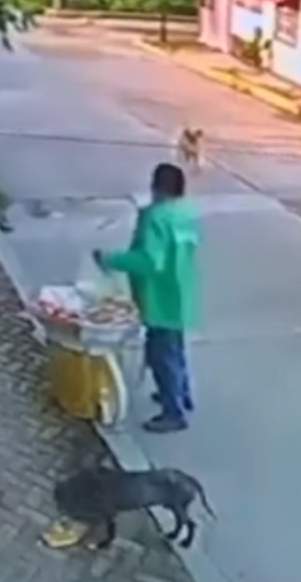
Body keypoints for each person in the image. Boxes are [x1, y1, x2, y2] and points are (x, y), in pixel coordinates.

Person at [93, 163, 199, 433]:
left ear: (156, 187)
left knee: (161, 354)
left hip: (158, 296)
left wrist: (111, 259)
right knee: (175, 348)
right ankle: (182, 394)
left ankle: (172, 411)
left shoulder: (155, 218)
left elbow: (150, 261)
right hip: (181, 292)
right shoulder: (186, 213)